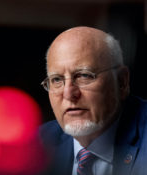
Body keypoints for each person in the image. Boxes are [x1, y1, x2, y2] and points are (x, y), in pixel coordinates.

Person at [39, 26, 147, 175]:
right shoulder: (36, 145)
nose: (69, 93)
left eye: (84, 75)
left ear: (121, 82)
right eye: (57, 79)